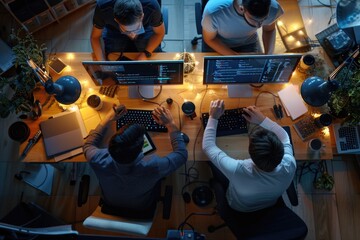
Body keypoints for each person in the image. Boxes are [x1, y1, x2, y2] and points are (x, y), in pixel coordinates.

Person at [84, 105, 187, 217]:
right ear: (141, 148)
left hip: (111, 204)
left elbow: (88, 145)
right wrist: (170, 124)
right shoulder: (153, 166)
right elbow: (182, 154)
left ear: (111, 145)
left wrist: (107, 118)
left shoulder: (97, 158)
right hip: (142, 207)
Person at [202, 100, 296, 212]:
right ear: (281, 150)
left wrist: (213, 117)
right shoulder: (289, 163)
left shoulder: (238, 170)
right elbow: (285, 137)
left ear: (250, 152)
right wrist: (262, 119)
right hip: (269, 204)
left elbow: (208, 146)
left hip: (239, 207)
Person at [91, 0, 165, 61]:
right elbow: (95, 37)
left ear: (142, 16)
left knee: (152, 56)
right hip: (114, 29)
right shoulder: (103, 8)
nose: (133, 35)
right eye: (127, 31)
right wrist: (102, 63)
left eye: (137, 29)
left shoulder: (151, 6)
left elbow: (159, 33)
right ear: (116, 20)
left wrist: (145, 53)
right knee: (112, 55)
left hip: (146, 27)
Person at [201, 0, 283, 55]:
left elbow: (269, 30)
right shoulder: (214, 12)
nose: (259, 26)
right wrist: (236, 57)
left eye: (264, 19)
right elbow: (210, 39)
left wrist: (268, 56)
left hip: (248, 43)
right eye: (253, 20)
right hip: (218, 43)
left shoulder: (273, 8)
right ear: (242, 8)